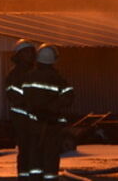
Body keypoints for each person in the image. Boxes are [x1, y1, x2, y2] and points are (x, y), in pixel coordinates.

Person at [22, 44, 74, 181]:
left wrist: (37, 109)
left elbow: (24, 97)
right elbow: (69, 96)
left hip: (34, 124)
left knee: (34, 157)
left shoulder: (29, 76)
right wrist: (53, 107)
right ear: (53, 59)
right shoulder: (57, 78)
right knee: (50, 157)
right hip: (51, 125)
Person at [5, 39, 37, 179]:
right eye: (27, 52)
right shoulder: (15, 74)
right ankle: (24, 177)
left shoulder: (35, 72)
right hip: (23, 118)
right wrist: (29, 102)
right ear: (20, 54)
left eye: (31, 52)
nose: (30, 55)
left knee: (37, 151)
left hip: (36, 117)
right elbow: (13, 94)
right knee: (26, 150)